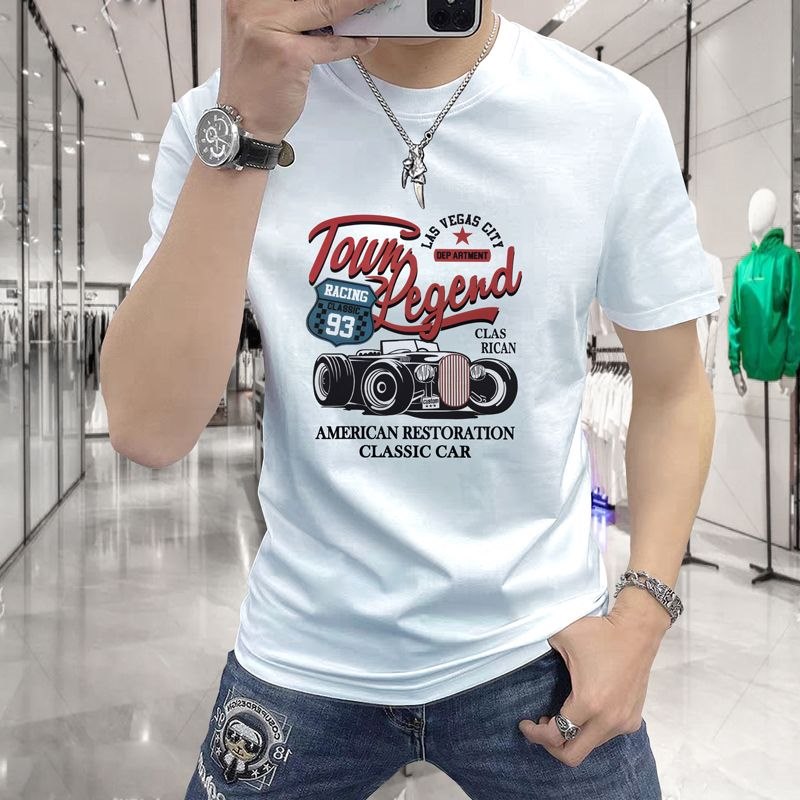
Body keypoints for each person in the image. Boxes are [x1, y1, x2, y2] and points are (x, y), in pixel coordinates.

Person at [99, 1, 719, 797]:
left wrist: (641, 617)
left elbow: (673, 389)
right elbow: (147, 427)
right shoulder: (223, 118)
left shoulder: (607, 117)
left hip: (540, 648)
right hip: (305, 651)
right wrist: (247, 127)